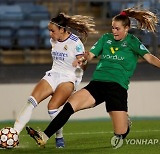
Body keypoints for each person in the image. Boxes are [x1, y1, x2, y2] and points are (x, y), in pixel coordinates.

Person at [26, 7, 160, 149]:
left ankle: (125, 123)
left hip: (117, 87)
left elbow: (150, 58)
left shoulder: (133, 42)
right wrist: (83, 59)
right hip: (97, 84)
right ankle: (44, 136)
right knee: (69, 105)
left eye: (117, 28)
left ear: (127, 29)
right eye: (112, 27)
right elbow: (90, 56)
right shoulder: (105, 39)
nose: (114, 31)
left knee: (119, 134)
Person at [12, 13, 97, 148]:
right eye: (49, 31)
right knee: (30, 102)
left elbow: (83, 65)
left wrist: (82, 62)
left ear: (63, 30)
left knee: (52, 107)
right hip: (53, 74)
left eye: (53, 31)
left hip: (69, 78)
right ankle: (13, 135)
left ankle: (59, 137)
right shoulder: (54, 40)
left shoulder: (75, 43)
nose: (50, 34)